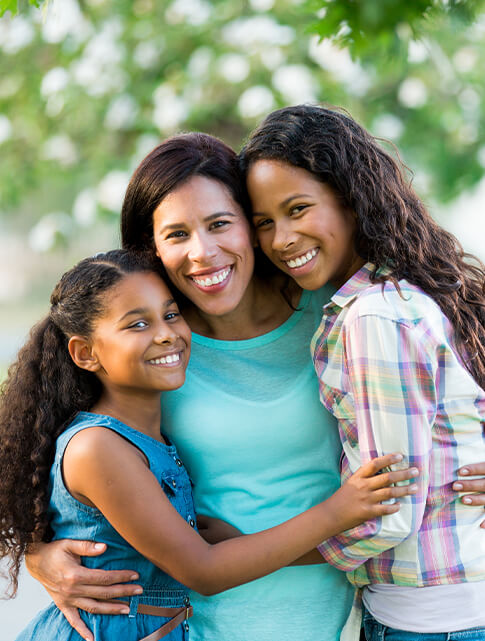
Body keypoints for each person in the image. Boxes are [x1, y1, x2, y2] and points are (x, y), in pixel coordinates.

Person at [24, 131, 485, 641]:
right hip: (202, 621)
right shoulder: (152, 350)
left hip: (348, 614)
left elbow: (449, 389)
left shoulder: (336, 310)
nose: (203, 252)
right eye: (176, 234)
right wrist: (38, 551)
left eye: (221, 223)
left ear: (251, 224)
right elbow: (53, 451)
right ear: (150, 246)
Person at [0, 249, 417, 641]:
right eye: (138, 324)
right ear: (85, 353)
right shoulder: (98, 448)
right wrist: (339, 511)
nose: (167, 335)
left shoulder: (148, 439)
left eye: (171, 314)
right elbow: (203, 571)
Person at [239, 104, 485, 641]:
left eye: (298, 208)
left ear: (352, 199)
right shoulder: (406, 293)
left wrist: (251, 556)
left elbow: (389, 511)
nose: (281, 239)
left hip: (433, 622)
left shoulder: (374, 315)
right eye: (263, 223)